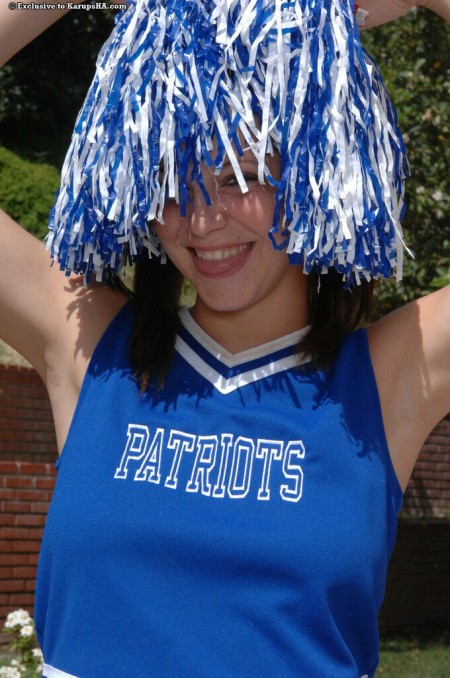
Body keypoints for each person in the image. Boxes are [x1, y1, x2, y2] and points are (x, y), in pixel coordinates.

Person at [0, 1, 449, 676]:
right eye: (173, 179)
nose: (202, 218)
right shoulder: (91, 347)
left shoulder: (388, 378)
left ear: (313, 165)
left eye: (241, 173)